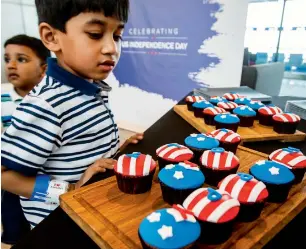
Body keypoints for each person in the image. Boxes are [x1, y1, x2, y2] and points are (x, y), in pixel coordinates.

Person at [1, 0, 142, 229]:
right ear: (51, 37)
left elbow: (81, 149)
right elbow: (5, 176)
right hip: (63, 224)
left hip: (95, 208)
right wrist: (71, 189)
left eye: (116, 35)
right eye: (95, 34)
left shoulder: (91, 86)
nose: (111, 48)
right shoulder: (47, 105)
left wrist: (119, 148)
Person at [1, 34, 50, 244]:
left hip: (40, 179)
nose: (11, 65)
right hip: (12, 183)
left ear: (43, 69)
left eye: (21, 59)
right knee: (16, 231)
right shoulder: (2, 98)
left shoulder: (50, 101)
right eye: (7, 59)